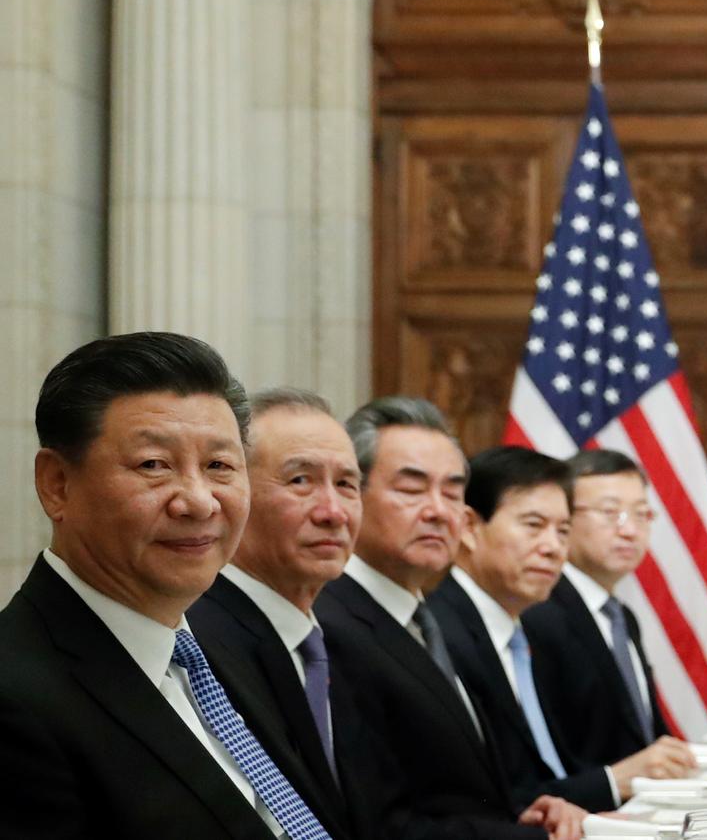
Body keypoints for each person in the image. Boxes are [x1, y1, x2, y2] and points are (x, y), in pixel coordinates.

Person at [0, 331, 333, 839]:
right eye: (153, 465)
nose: (199, 502)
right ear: (57, 484)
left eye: (219, 466)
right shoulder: (17, 697)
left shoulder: (223, 644)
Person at [315, 397, 584, 840]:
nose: (439, 511)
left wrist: (523, 814)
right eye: (412, 489)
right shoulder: (331, 625)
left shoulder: (423, 617)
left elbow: (451, 789)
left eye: (453, 491)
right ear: (351, 494)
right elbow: (382, 825)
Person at [429, 446, 667, 811]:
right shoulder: (440, 632)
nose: (554, 548)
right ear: (470, 528)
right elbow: (482, 800)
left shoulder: (513, 628)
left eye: (563, 531)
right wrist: (608, 785)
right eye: (534, 526)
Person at [189, 387, 367, 840]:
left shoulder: (333, 641)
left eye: (347, 484)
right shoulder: (199, 645)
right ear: (235, 492)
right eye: (300, 481)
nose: (333, 512)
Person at [524, 449, 695, 778]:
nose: (630, 530)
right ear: (565, 519)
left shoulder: (622, 617)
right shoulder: (538, 614)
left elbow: (645, 735)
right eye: (610, 512)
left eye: (641, 514)